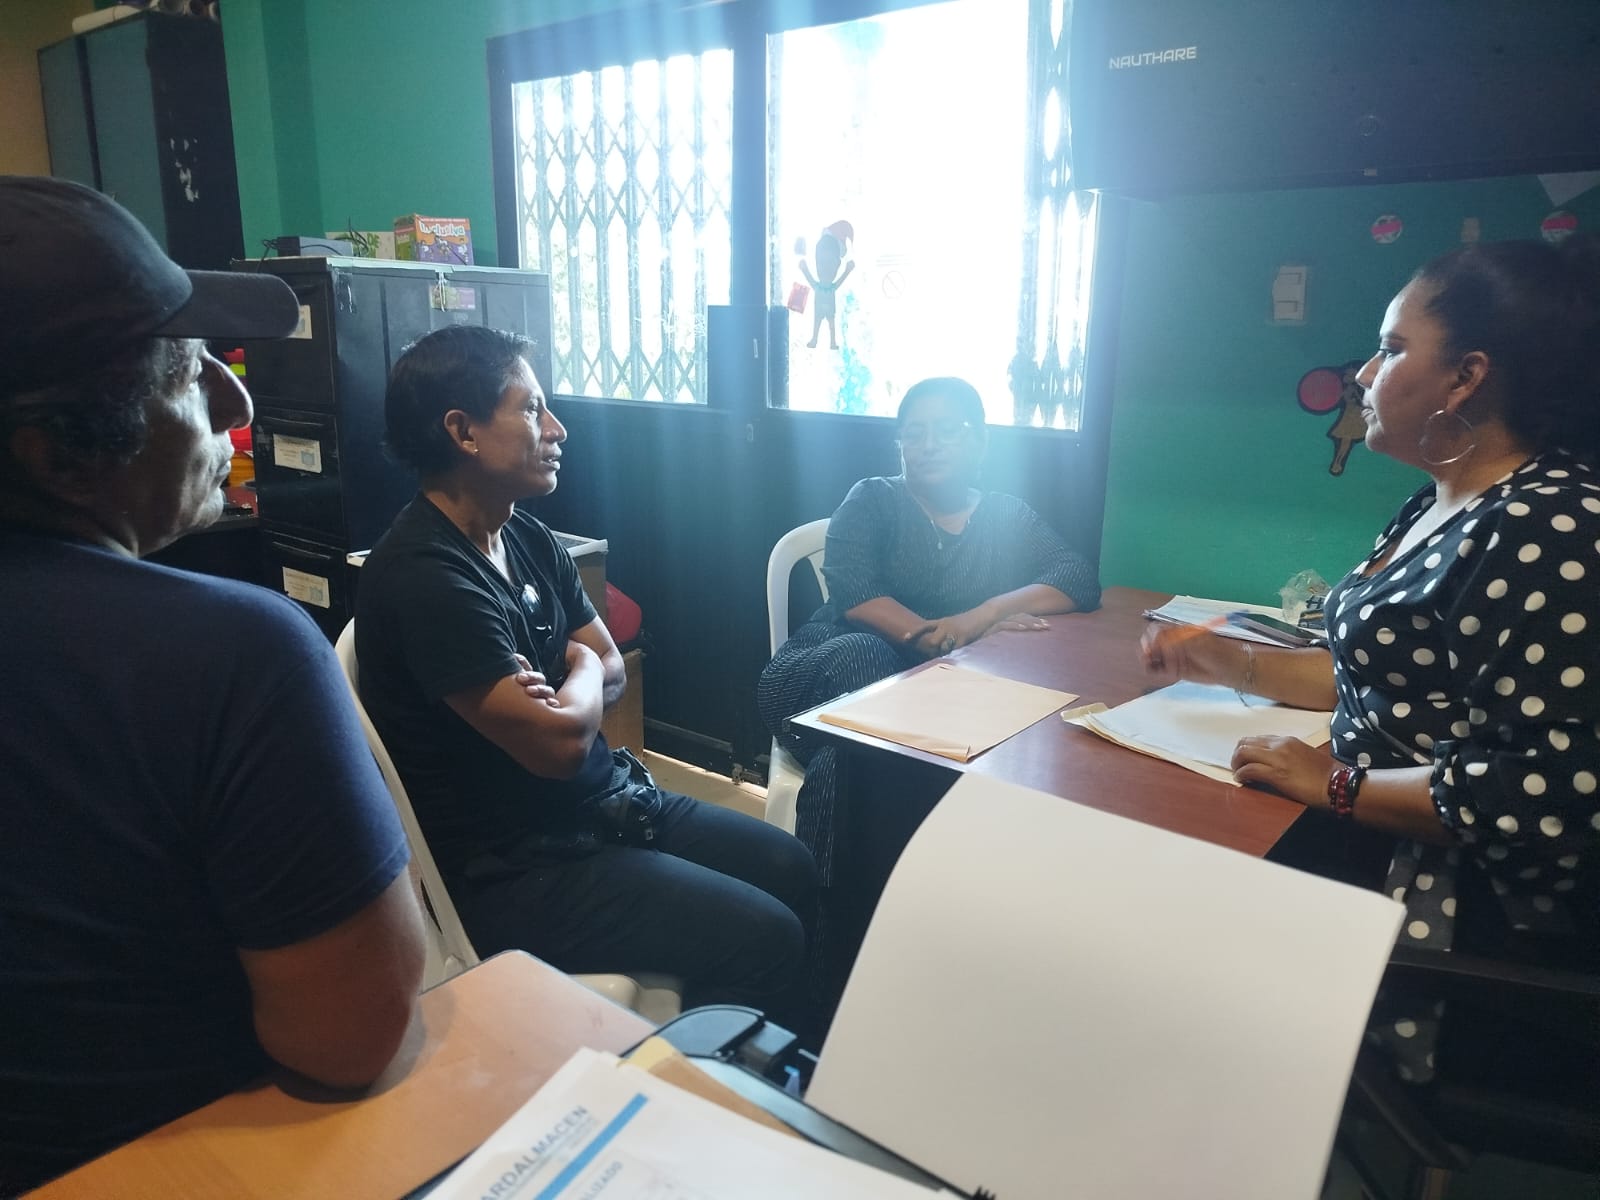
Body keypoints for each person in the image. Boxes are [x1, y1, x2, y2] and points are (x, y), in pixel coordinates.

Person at [0, 177, 426, 1193]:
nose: (237, 402)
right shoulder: (232, 655)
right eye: (189, 370)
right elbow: (351, 1039)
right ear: (55, 454)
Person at [1141, 236, 1600, 1081]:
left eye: (1390, 349)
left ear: (1465, 377)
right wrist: (1226, 663)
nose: (1361, 374)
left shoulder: (1548, 527)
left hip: (1454, 909)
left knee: (1161, 923)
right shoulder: (1439, 502)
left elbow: (1537, 791)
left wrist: (1336, 784)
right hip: (1370, 837)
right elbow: (1376, 680)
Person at [355, 324, 817, 1020]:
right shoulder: (426, 577)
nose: (557, 429)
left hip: (606, 805)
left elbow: (611, 666)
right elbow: (563, 746)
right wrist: (578, 676)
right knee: (768, 937)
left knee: (791, 866)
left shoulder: (523, 533)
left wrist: (571, 682)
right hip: (517, 868)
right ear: (463, 431)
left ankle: (749, 1042)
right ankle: (697, 1069)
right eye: (531, 409)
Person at [759, 376, 1102, 888]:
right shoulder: (873, 499)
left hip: (935, 713)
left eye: (947, 430)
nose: (928, 444)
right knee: (865, 659)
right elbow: (856, 594)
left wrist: (984, 613)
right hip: (824, 680)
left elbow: (1077, 579)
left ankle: (829, 927)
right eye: (914, 433)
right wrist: (957, 638)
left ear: (980, 441)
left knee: (848, 766)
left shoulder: (1006, 515)